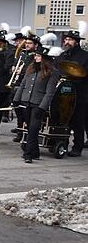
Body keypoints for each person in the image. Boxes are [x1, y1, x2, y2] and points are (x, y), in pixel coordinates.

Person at [13, 45, 61, 163]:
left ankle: (28, 154)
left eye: (38, 56)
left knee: (34, 129)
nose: (36, 57)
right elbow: (23, 84)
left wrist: (42, 107)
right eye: (35, 55)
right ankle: (35, 152)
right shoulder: (31, 68)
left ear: (45, 58)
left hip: (38, 104)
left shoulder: (52, 72)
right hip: (26, 101)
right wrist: (16, 99)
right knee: (29, 128)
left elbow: (50, 93)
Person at [57, 28, 88, 157]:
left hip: (80, 94)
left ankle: (77, 146)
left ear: (76, 42)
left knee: (77, 122)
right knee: (63, 120)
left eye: (69, 40)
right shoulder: (63, 55)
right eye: (66, 39)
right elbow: (55, 68)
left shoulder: (85, 56)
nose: (66, 42)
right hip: (63, 94)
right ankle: (62, 143)